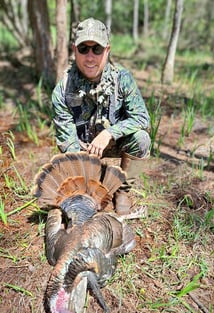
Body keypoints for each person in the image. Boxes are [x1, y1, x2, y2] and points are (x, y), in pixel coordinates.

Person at [51, 17, 151, 215]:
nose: (90, 57)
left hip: (114, 143)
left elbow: (142, 118)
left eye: (96, 49)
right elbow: (67, 141)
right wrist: (83, 181)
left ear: (107, 50)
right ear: (74, 50)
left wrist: (108, 134)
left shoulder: (122, 79)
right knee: (80, 202)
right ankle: (86, 185)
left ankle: (122, 191)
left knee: (141, 139)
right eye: (83, 49)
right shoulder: (62, 90)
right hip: (82, 147)